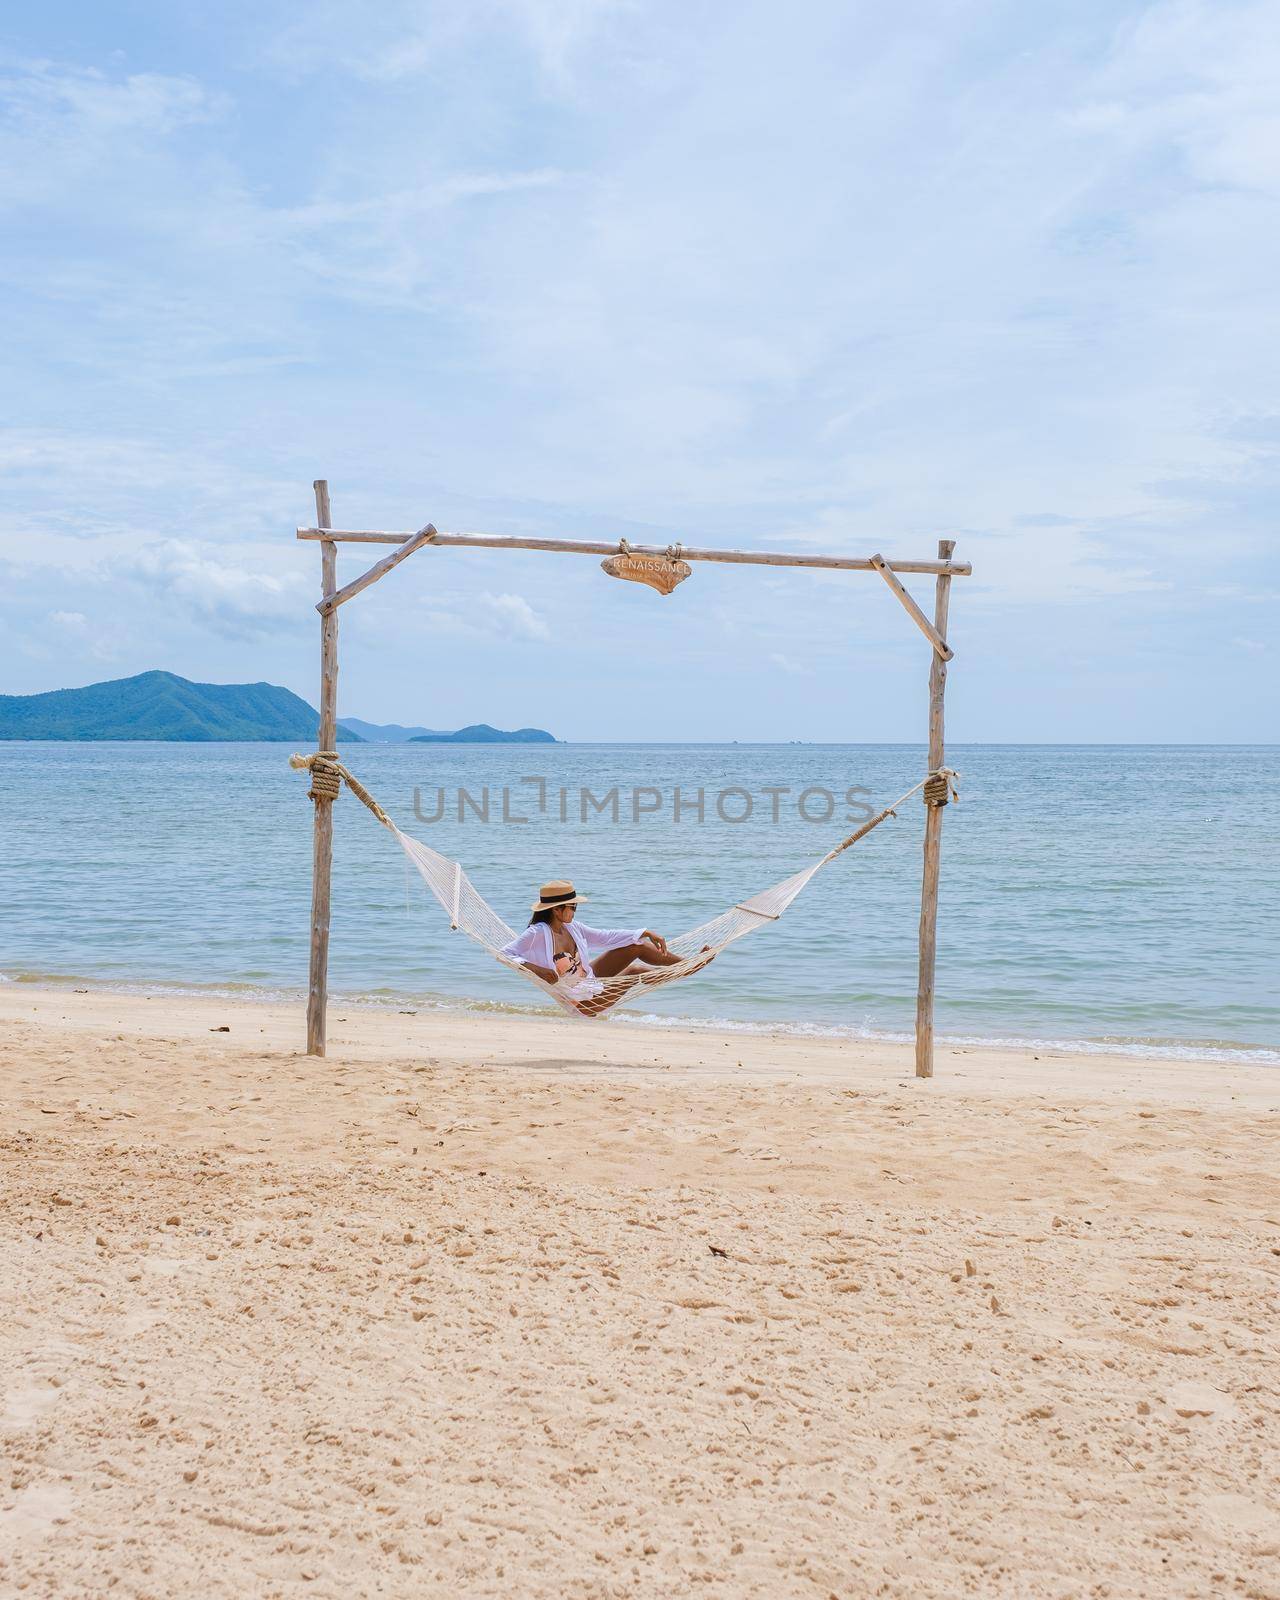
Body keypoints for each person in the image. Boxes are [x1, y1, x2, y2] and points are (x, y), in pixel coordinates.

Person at [500, 879, 689, 1015]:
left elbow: (606, 937)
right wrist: (537, 970)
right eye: (572, 907)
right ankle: (681, 973)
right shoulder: (538, 933)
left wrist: (645, 932)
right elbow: (505, 954)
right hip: (583, 1004)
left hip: (591, 983)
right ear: (557, 910)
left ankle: (688, 964)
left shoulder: (572, 927)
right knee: (635, 971)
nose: (575, 911)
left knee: (635, 945)